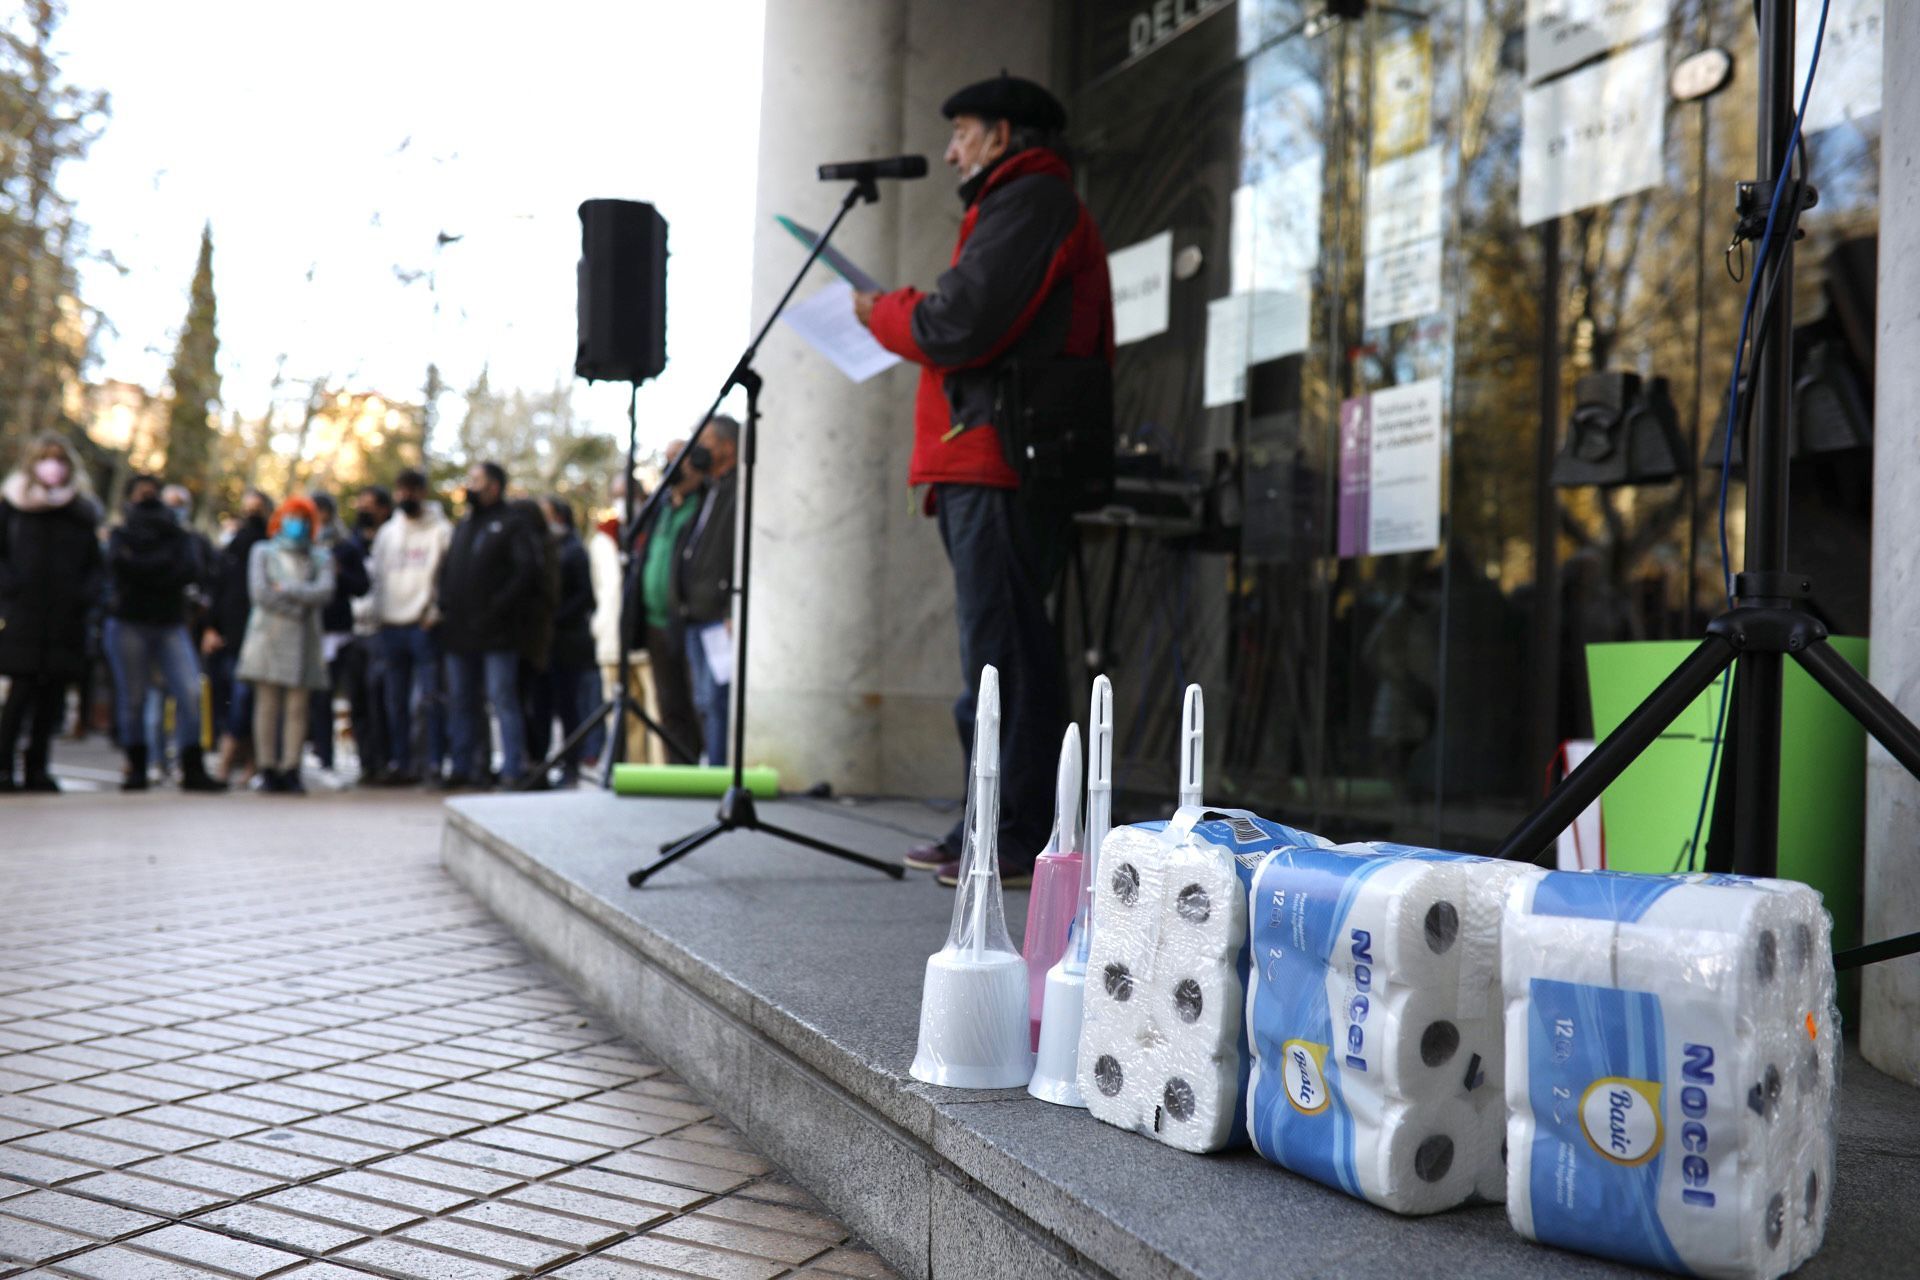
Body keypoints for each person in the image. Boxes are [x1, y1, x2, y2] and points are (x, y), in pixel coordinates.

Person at [854, 73, 1114, 886]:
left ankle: (1024, 835)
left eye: (963, 131)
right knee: (996, 656)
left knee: (1005, 655)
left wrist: (884, 312)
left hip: (1001, 463)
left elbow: (957, 324)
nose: (950, 149)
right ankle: (989, 822)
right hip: (983, 460)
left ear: (1003, 135)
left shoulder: (1031, 199)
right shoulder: (1012, 203)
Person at [103, 474, 225, 792]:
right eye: (142, 494)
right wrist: (157, 569)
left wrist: (143, 567)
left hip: (170, 624)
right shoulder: (122, 535)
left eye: (153, 494)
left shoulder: (180, 537)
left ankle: (192, 765)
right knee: (134, 698)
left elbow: (188, 570)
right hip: (129, 623)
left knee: (190, 691)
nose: (149, 500)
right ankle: (137, 766)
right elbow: (120, 567)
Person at [0, 435, 102, 792]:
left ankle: (37, 769)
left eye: (59, 458)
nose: (52, 465)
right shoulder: (12, 505)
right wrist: (10, 590)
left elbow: (94, 565)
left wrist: (83, 597)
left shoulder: (80, 511)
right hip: (24, 614)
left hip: (65, 618)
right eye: (45, 458)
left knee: (51, 697)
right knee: (21, 693)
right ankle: (3, 768)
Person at [437, 461, 540, 788]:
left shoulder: (512, 524)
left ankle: (513, 769)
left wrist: (496, 608)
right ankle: (465, 766)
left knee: (502, 699)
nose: (470, 486)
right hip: (459, 633)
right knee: (461, 701)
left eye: (477, 480)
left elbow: (526, 573)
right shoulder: (464, 526)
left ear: (494, 486)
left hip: (498, 635)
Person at [236, 494, 335, 793]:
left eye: (304, 520)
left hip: (304, 642)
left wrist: (288, 589)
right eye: (292, 518)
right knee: (266, 705)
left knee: (297, 708)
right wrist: (300, 604)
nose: (297, 525)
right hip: (268, 637)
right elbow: (261, 593)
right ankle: (267, 767)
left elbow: (324, 592)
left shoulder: (321, 557)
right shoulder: (263, 551)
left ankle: (291, 767)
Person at [369, 468, 451, 784]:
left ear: (422, 492)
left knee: (430, 699)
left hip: (422, 624)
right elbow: (376, 577)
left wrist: (435, 612)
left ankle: (432, 762)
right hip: (390, 625)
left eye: (411, 490)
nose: (404, 497)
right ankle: (400, 763)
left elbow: (447, 577)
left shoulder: (441, 530)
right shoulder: (387, 533)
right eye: (400, 490)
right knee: (395, 701)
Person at [625, 441, 703, 765]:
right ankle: (678, 769)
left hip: (689, 620)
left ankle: (704, 770)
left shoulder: (704, 503)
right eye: (668, 459)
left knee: (699, 701)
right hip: (655, 622)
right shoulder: (661, 508)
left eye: (679, 459)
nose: (672, 466)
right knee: (668, 706)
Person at [673, 421, 737, 766]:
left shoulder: (736, 489)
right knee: (701, 698)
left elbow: (733, 552)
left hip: (716, 614)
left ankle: (717, 768)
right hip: (693, 614)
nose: (699, 449)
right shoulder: (709, 490)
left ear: (727, 446)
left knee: (716, 698)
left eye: (707, 442)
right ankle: (709, 761)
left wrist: (730, 606)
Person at [524, 495, 596, 786]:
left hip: (567, 642)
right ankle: (540, 765)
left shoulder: (574, 550)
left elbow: (585, 595)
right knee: (539, 705)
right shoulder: (539, 547)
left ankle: (571, 765)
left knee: (568, 707)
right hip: (543, 644)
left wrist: (554, 617)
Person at [205, 489, 271, 783]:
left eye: (258, 509)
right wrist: (211, 627)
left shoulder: (270, 548)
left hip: (259, 636)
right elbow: (218, 589)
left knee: (246, 699)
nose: (252, 515)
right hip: (229, 636)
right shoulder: (231, 549)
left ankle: (234, 761)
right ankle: (239, 761)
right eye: (248, 509)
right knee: (231, 698)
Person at [305, 491, 370, 781]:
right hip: (307, 631)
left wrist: (339, 572)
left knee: (341, 696)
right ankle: (319, 756)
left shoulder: (346, 547)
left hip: (339, 633)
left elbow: (362, 586)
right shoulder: (298, 546)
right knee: (314, 700)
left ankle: (344, 761)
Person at [343, 486, 393, 780]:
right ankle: (367, 763)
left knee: (381, 700)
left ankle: (387, 760)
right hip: (354, 631)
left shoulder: (394, 537)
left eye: (370, 505)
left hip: (383, 629)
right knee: (358, 700)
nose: (363, 510)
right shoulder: (351, 543)